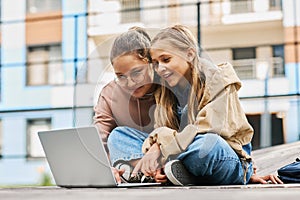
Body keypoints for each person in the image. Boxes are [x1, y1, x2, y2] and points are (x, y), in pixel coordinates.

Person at [131, 24, 283, 185]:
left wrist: (159, 146)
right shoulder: (165, 91)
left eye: (166, 59)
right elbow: (164, 131)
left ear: (189, 54)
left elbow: (206, 128)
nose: (160, 68)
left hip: (222, 155)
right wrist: (159, 151)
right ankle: (167, 171)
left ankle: (157, 170)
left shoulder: (219, 79)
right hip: (178, 155)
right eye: (155, 63)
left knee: (206, 144)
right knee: (120, 136)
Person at [93, 27, 159, 184]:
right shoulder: (109, 93)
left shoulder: (167, 82)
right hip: (133, 151)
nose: (130, 83)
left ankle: (144, 172)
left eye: (137, 73)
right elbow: (100, 136)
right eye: (121, 76)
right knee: (117, 137)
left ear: (150, 63)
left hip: (164, 150)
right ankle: (146, 172)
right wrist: (105, 167)